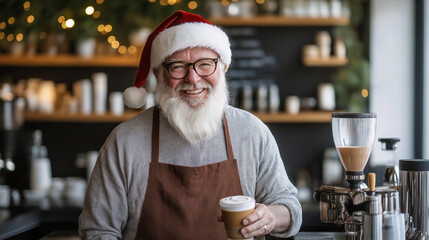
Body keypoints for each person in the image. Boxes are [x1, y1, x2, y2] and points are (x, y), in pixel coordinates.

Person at [78, 10, 302, 240]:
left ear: (223, 68)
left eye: (205, 64)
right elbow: (98, 230)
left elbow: (289, 206)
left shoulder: (251, 131)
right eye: (177, 67)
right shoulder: (125, 141)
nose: (193, 79)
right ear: (158, 74)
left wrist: (271, 217)